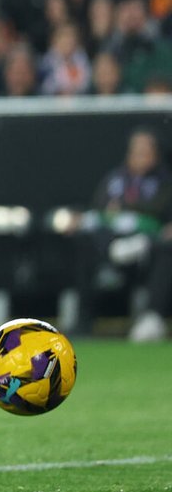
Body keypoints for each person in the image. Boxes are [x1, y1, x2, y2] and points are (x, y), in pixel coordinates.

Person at [71, 127, 172, 341]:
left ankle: (153, 318)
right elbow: (98, 208)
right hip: (109, 242)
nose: (139, 157)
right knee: (83, 239)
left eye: (145, 151)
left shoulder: (165, 182)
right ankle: (83, 320)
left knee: (165, 247)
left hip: (150, 245)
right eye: (135, 151)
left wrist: (128, 208)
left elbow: (160, 211)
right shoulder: (115, 179)